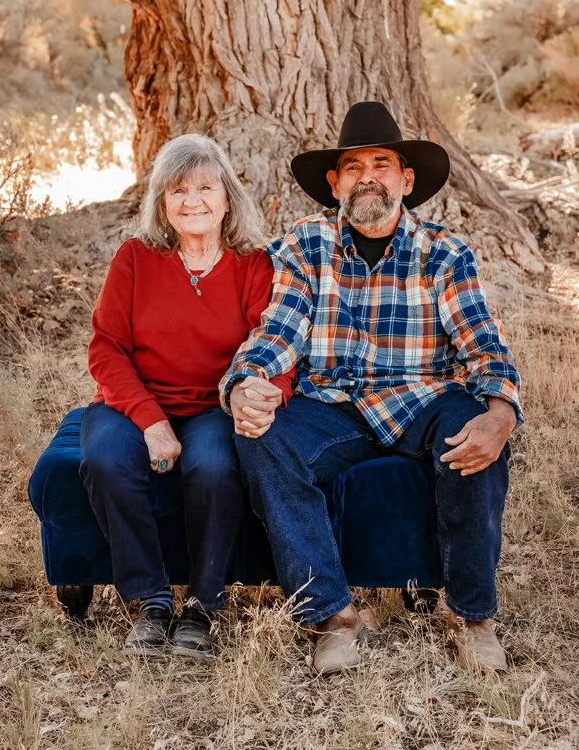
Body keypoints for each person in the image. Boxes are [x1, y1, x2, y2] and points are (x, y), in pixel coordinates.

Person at [221, 101, 522, 675]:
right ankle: (333, 615)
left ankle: (471, 617)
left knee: (475, 436)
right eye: (353, 167)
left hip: (422, 398)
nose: (367, 178)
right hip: (332, 403)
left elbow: (483, 344)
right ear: (334, 183)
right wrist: (246, 382)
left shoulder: (444, 254)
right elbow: (280, 328)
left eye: (381, 165)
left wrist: (501, 409)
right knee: (260, 437)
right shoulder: (306, 245)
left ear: (406, 180)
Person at [82, 133, 290, 659]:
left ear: (227, 199)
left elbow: (275, 346)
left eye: (205, 188)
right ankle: (151, 602)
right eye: (178, 190)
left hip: (213, 406)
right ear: (162, 203)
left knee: (214, 468)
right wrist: (151, 422)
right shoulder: (135, 258)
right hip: (134, 401)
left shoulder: (253, 265)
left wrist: (264, 394)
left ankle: (201, 605)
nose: (192, 201)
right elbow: (106, 349)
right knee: (104, 457)